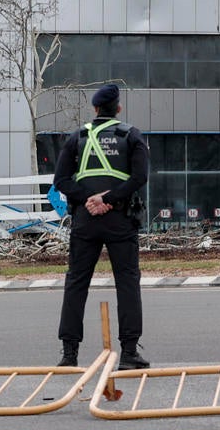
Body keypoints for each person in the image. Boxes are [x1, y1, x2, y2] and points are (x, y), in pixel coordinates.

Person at [55, 83, 150, 370]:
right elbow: (139, 177)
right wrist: (108, 199)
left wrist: (90, 199)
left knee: (76, 283)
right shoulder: (131, 135)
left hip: (85, 220)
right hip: (120, 220)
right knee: (128, 282)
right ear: (118, 109)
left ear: (95, 109)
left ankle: (69, 354)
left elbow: (61, 181)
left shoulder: (77, 137)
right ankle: (129, 353)